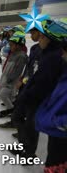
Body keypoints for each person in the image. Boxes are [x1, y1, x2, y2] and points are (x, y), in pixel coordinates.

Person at [11, 19, 65, 161]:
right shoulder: (37, 50)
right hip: (28, 90)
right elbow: (31, 70)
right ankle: (25, 146)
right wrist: (22, 82)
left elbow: (44, 81)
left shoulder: (53, 56)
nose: (34, 37)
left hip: (37, 97)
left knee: (30, 125)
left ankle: (29, 152)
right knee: (20, 119)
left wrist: (27, 94)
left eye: (38, 34)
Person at [36, 33, 67, 172]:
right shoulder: (65, 72)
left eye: (65, 52)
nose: (62, 55)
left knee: (56, 164)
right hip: (56, 130)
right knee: (52, 161)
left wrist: (58, 122)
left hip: (61, 131)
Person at [0, 31, 28, 117]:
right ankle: (11, 110)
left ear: (18, 45)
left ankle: (11, 109)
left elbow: (18, 70)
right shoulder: (13, 54)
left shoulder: (21, 56)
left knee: (2, 94)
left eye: (11, 45)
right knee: (10, 97)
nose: (10, 47)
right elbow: (8, 66)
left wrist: (10, 79)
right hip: (7, 78)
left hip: (12, 80)